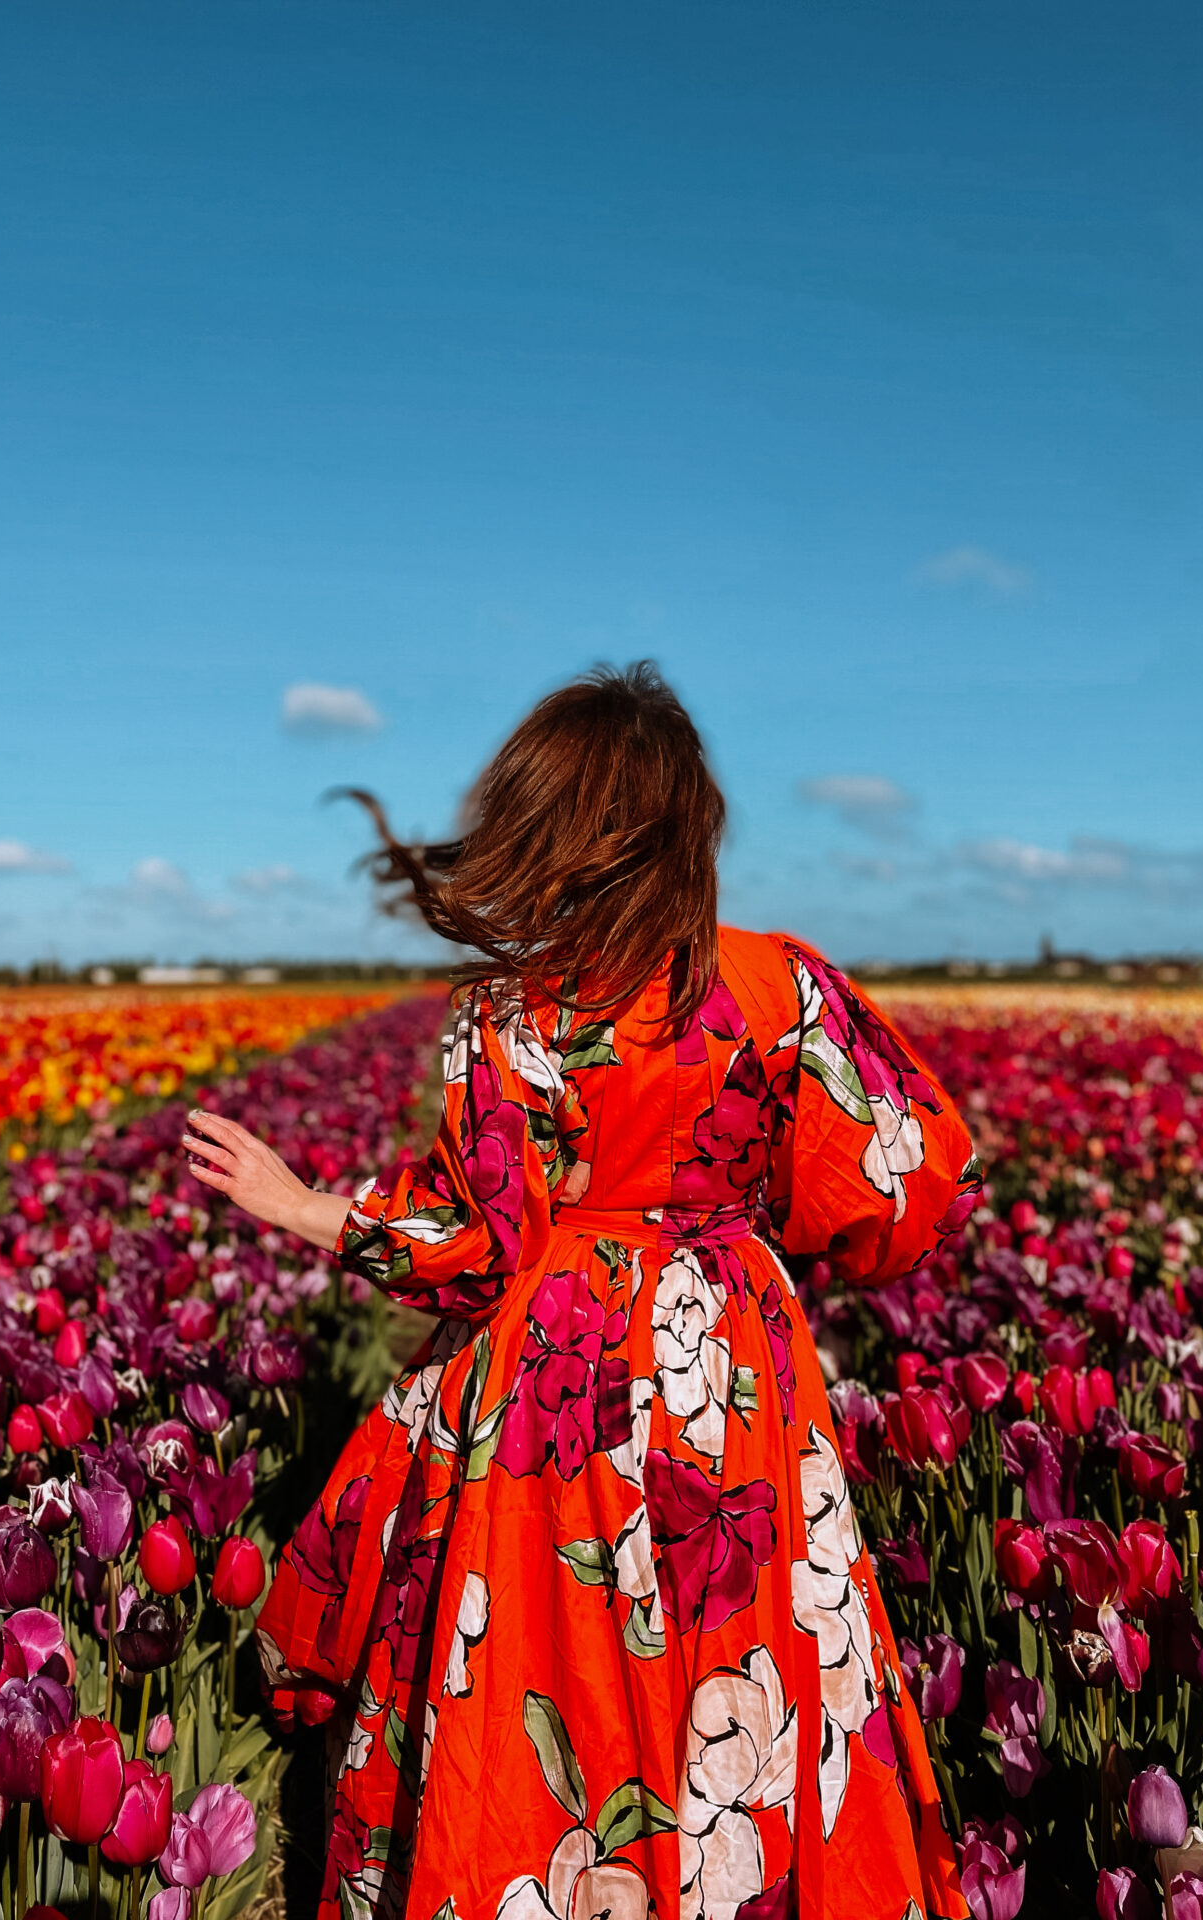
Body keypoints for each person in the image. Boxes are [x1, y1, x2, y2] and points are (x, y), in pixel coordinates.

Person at [181, 663, 981, 1920]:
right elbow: (896, 1195)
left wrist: (304, 1205)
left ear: (555, 826)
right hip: (731, 1356)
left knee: (553, 1660)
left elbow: (475, 1245)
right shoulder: (786, 989)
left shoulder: (508, 1014)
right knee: (743, 1641)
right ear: (686, 822)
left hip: (554, 1372)